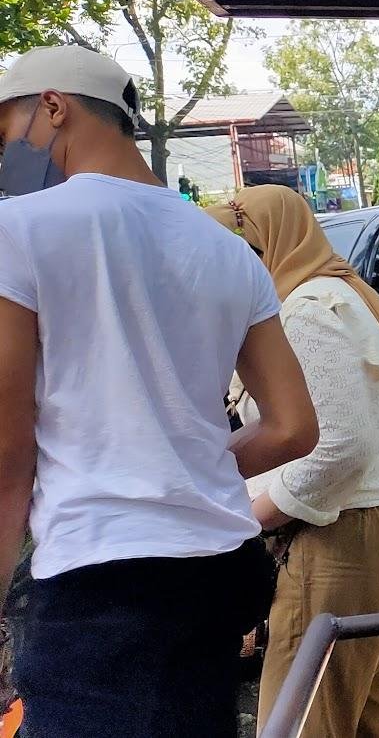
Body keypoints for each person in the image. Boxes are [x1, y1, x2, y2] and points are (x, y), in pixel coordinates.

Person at [0, 46, 319, 738]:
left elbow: (8, 449)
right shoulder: (228, 250)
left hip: (102, 578)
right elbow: (294, 427)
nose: (6, 154)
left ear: (53, 106)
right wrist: (182, 466)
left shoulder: (16, 231)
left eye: (6, 131)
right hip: (220, 569)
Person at [207, 186, 379, 738]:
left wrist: (255, 516)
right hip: (377, 532)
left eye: (231, 254)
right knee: (369, 720)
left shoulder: (306, 312)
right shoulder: (349, 296)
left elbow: (341, 446)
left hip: (337, 542)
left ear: (265, 248)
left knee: (300, 723)